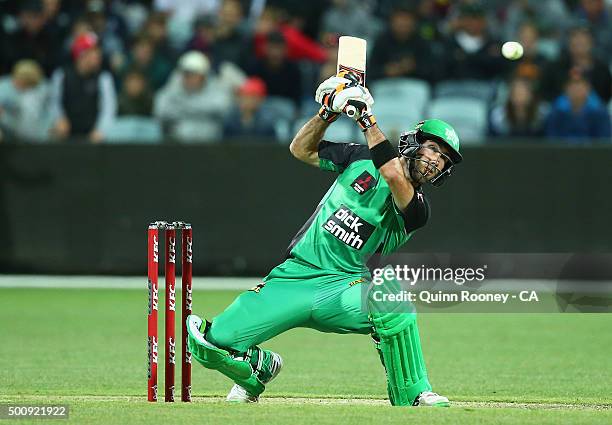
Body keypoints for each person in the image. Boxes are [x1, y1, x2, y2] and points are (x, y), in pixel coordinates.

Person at [186, 73, 463, 406]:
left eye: (444, 158)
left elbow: (391, 173)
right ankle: (257, 370)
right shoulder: (358, 157)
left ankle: (415, 393)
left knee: (391, 298)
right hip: (295, 277)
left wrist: (365, 117)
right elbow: (300, 149)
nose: (436, 160)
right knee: (212, 342)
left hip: (344, 289)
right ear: (414, 142)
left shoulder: (417, 209)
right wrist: (328, 112)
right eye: (433, 148)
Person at [49, 32, 117, 143]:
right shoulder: (62, 75)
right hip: (66, 132)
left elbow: (108, 109)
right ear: (81, 54)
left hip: (93, 135)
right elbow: (54, 103)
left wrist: (101, 130)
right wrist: (59, 119)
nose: (98, 55)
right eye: (93, 51)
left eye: (98, 51)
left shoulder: (104, 78)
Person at [153, 51, 232, 143]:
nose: (189, 78)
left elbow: (223, 108)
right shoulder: (173, 86)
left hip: (210, 143)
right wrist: (203, 112)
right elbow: (161, 111)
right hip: (178, 142)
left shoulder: (216, 86)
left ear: (203, 76)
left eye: (194, 74)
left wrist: (184, 108)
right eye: (186, 74)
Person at [545, 72, 611, 141]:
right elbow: (551, 138)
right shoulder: (556, 113)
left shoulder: (600, 113)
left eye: (580, 85)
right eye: (572, 86)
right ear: (565, 89)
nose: (576, 89)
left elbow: (604, 140)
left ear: (588, 89)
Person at [0, 60, 52, 142]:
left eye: (25, 83)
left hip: (35, 133)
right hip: (8, 129)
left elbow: (48, 112)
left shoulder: (41, 89)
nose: (19, 83)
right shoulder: (3, 86)